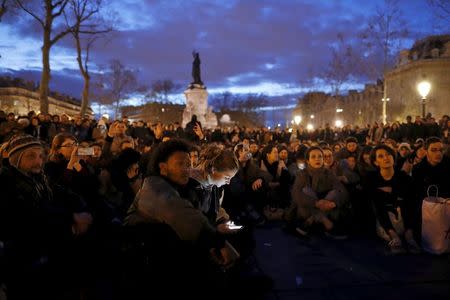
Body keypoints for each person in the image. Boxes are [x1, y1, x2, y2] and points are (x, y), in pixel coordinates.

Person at [124, 139, 238, 296]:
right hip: (146, 260)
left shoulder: (177, 185)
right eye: (180, 164)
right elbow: (184, 216)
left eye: (188, 164)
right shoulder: (155, 189)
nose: (187, 170)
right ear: (162, 167)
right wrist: (219, 243)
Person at [0, 134, 92, 299]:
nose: (38, 161)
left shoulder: (38, 178)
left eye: (40, 156)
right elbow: (30, 214)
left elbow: (63, 193)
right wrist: (71, 218)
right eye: (31, 156)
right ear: (16, 159)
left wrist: (83, 208)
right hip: (23, 258)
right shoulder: (6, 182)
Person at [366, 145, 421, 254]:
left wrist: (389, 191)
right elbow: (377, 204)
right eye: (381, 156)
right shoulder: (371, 178)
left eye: (388, 154)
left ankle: (409, 234)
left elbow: (410, 202)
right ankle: (392, 235)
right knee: (381, 206)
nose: (386, 158)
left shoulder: (404, 177)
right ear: (376, 162)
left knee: (406, 203)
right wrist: (395, 194)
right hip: (385, 218)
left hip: (404, 216)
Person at [284, 146, 349, 239]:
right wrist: (315, 203)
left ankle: (311, 220)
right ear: (308, 160)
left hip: (326, 205)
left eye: (320, 156)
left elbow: (342, 190)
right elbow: (296, 193)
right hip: (308, 208)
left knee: (335, 192)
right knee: (305, 190)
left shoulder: (329, 173)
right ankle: (326, 222)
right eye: (313, 157)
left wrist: (334, 203)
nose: (317, 159)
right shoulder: (302, 174)